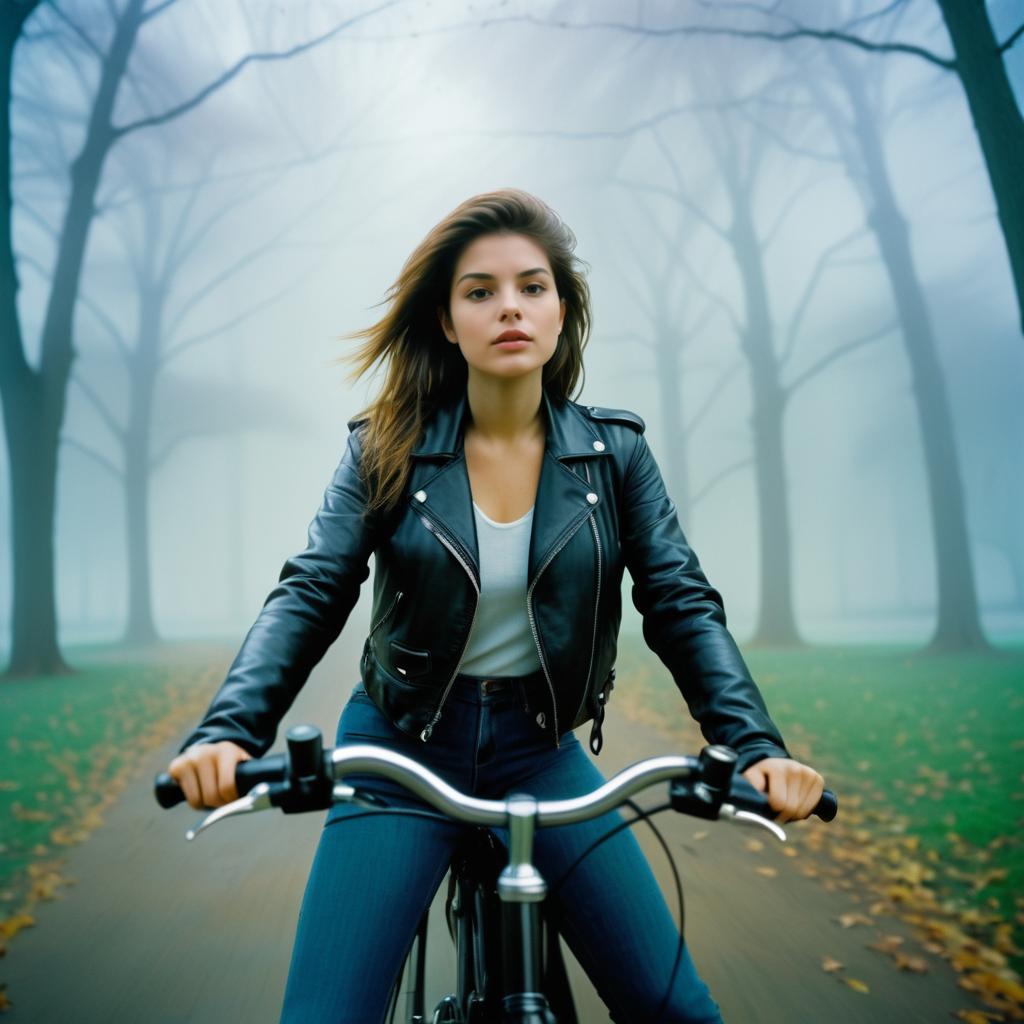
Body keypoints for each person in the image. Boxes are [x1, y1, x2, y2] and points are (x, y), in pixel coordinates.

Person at [168, 188, 825, 1023]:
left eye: (532, 286)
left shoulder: (614, 455)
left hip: (542, 754)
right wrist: (228, 732)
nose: (508, 307)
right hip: (399, 754)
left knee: (681, 1013)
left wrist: (753, 746)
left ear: (561, 311)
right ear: (447, 322)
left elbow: (681, 602)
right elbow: (312, 588)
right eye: (479, 291)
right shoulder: (385, 449)